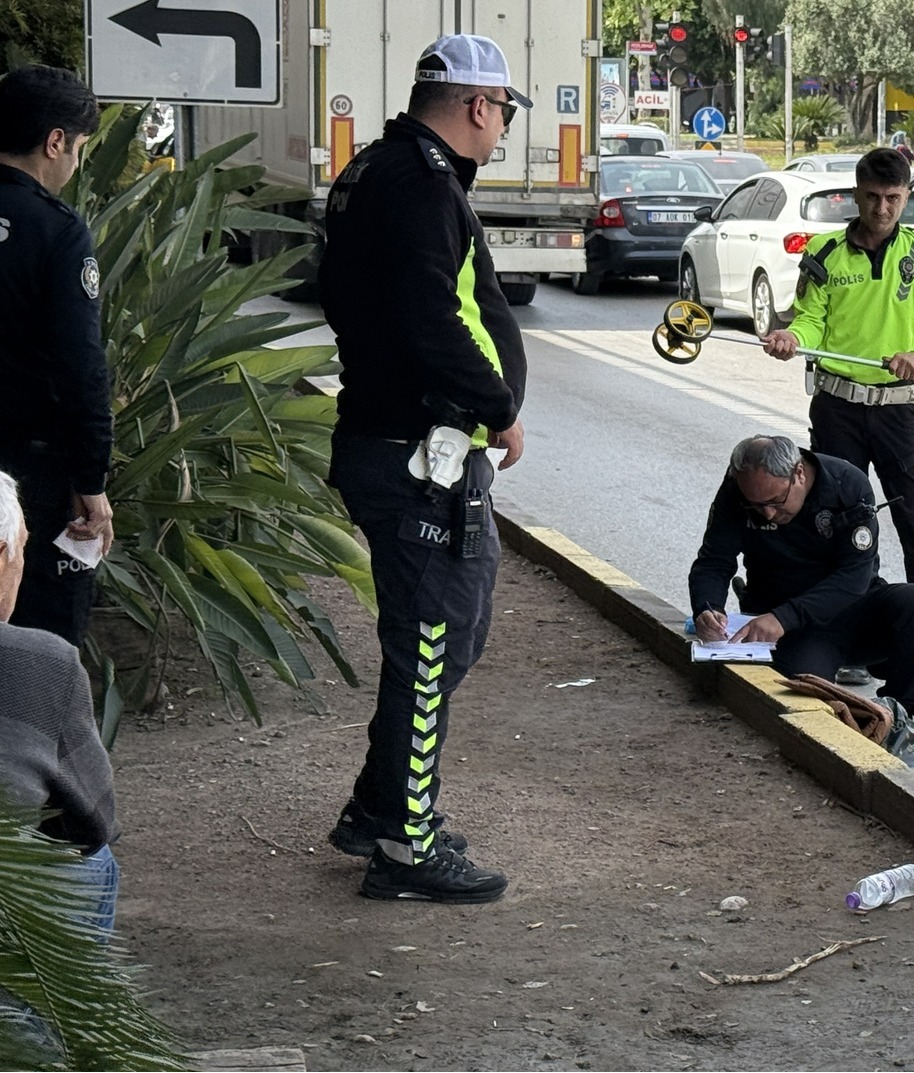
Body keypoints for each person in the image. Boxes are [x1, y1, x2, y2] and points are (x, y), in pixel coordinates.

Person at [317, 34, 533, 904]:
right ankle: (405, 845)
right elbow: (430, 318)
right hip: (416, 451)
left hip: (398, 442)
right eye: (505, 111)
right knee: (432, 645)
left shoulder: (379, 168)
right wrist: (497, 405)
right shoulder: (421, 183)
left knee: (443, 636)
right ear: (479, 105)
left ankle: (380, 807)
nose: (504, 126)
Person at [762, 149, 914, 693]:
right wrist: (793, 337)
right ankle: (851, 640)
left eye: (893, 198)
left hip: (897, 411)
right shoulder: (823, 252)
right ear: (856, 194)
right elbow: (813, 320)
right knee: (843, 529)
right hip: (837, 408)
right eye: (872, 197)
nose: (882, 208)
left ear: (907, 197)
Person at [689, 435, 914, 718]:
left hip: (850, 606)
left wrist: (784, 617)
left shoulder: (846, 484)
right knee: (806, 701)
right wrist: (707, 607)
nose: (768, 514)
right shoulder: (737, 489)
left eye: (776, 501)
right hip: (793, 628)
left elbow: (854, 577)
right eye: (757, 506)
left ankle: (901, 713)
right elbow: (714, 560)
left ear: (799, 473)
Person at [0, 67, 115, 648]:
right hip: (29, 471)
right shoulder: (55, 229)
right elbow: (80, 366)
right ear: (55, 142)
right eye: (79, 147)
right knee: (39, 640)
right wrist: (90, 480)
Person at [0, 470, 120, 939]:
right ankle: (67, 984)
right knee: (92, 858)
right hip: (13, 893)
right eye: (22, 550)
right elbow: (91, 815)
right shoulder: (40, 659)